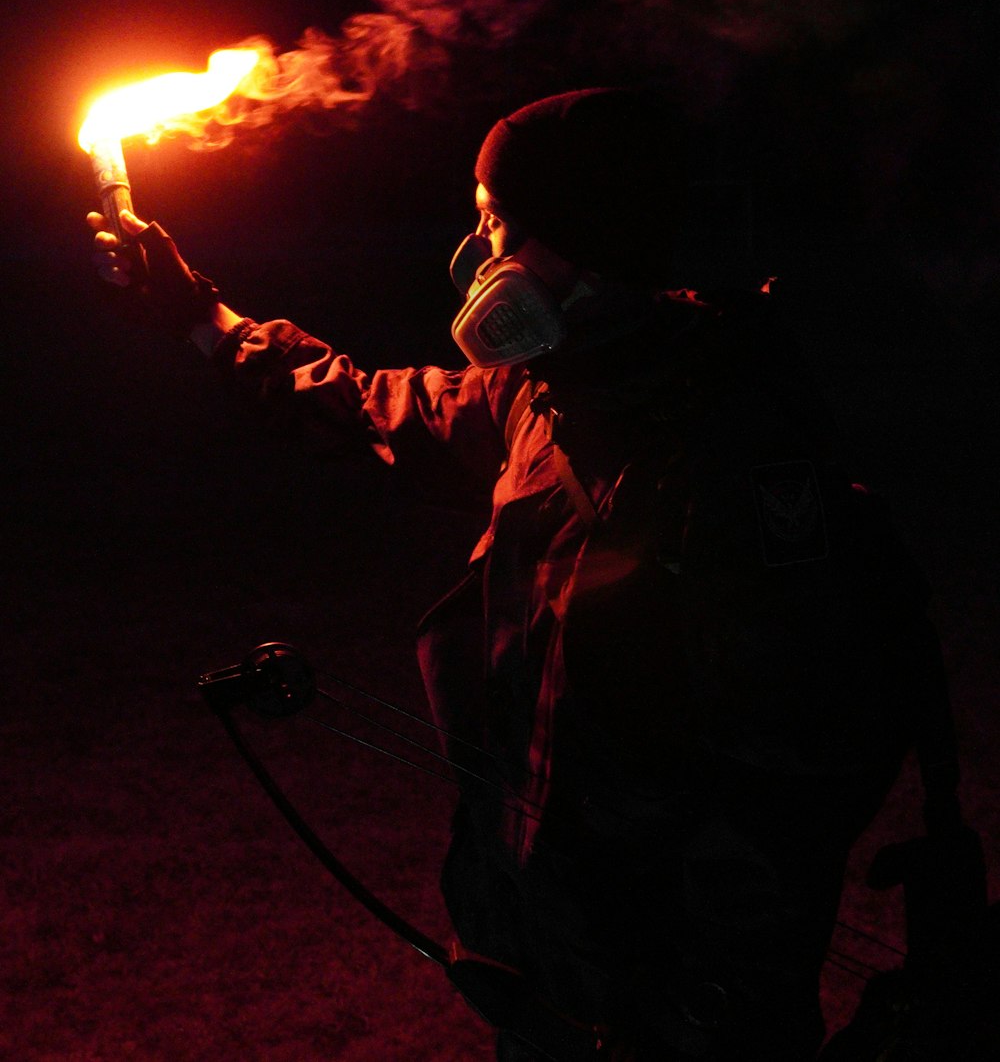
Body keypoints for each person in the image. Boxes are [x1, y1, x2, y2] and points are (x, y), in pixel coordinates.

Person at [88, 87, 932, 1061]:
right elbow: (370, 407)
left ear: (585, 242)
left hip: (676, 1002)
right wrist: (201, 313)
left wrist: (718, 992)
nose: (479, 257)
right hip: (550, 956)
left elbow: (805, 763)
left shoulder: (732, 456)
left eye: (497, 224)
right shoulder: (543, 396)